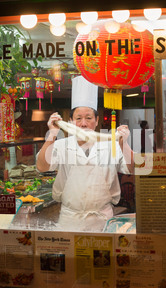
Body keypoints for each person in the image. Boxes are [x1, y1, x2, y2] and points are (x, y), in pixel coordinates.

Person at [36, 76, 134, 232]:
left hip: (102, 219)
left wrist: (124, 143)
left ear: (96, 120)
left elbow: (132, 169)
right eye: (78, 118)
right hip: (71, 219)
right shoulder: (61, 145)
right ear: (70, 121)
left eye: (89, 118)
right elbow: (41, 167)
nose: (83, 123)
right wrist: (52, 134)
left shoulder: (111, 145)